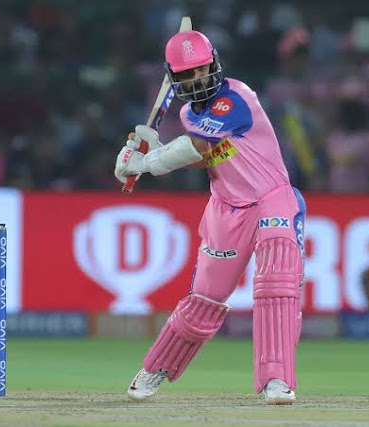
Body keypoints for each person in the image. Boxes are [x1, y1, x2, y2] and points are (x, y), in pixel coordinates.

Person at [114, 30, 306, 405]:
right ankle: (156, 368)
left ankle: (276, 380)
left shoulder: (237, 96)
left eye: (202, 69)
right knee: (204, 299)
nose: (198, 78)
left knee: (276, 286)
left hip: (271, 200)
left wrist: (147, 162)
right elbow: (206, 154)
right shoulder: (188, 113)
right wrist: (151, 154)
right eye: (188, 74)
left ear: (214, 63)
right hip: (225, 208)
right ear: (175, 78)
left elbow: (199, 144)